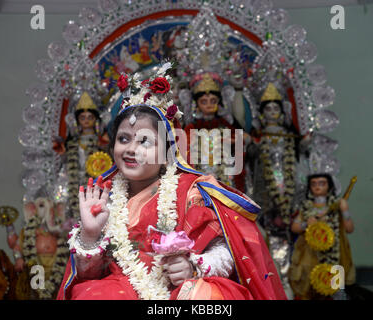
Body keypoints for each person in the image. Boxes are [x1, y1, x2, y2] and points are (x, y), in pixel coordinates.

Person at [56, 68, 286, 300]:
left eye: (145, 141)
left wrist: (194, 266)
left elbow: (228, 252)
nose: (131, 149)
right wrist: (90, 234)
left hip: (181, 289)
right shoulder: (104, 194)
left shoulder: (191, 191)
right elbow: (89, 275)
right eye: (123, 139)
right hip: (120, 291)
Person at [246, 83, 300, 299]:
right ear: (261, 113)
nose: (272, 113)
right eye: (267, 110)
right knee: (267, 240)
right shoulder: (258, 138)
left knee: (288, 240)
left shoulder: (290, 137)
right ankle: (274, 288)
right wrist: (250, 143)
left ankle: (288, 284)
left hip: (289, 194)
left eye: (275, 109)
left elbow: (300, 160)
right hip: (265, 195)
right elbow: (249, 157)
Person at [289, 173, 355, 300]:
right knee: (309, 291)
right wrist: (305, 224)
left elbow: (349, 229)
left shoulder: (336, 206)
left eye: (322, 183)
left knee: (336, 291)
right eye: (314, 184)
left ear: (329, 186)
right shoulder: (306, 207)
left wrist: (345, 210)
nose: (317, 187)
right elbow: (294, 227)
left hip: (334, 256)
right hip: (310, 257)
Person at [183, 72, 246, 192]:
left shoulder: (224, 124)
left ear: (219, 103)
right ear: (197, 105)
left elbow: (239, 143)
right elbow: (183, 148)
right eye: (204, 102)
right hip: (200, 174)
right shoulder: (192, 127)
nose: (209, 105)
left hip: (224, 174)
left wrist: (232, 142)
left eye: (213, 101)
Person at [53, 92, 110, 221]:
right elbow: (67, 162)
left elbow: (107, 160)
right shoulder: (72, 142)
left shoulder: (100, 141)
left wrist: (105, 146)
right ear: (77, 120)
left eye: (90, 117)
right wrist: (62, 153)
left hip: (95, 179)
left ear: (96, 119)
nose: (86, 121)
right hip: (75, 179)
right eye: (83, 117)